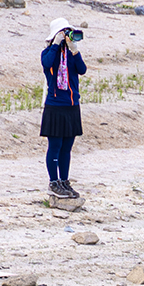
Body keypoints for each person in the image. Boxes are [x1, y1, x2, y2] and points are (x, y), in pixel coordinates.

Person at [39, 17, 87, 199]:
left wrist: (75, 50)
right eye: (63, 32)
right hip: (55, 105)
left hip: (71, 105)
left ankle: (64, 181)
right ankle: (53, 182)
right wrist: (55, 44)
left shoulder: (72, 55)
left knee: (67, 147)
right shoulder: (48, 53)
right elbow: (47, 64)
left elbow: (82, 70)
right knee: (55, 145)